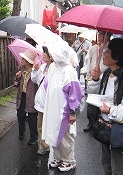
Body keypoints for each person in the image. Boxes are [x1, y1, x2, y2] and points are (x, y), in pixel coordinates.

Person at [88, 38, 123, 175]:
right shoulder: (108, 73)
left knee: (120, 168)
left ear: (116, 57)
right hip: (106, 126)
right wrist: (95, 79)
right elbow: (96, 94)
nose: (103, 53)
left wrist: (111, 110)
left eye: (107, 51)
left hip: (121, 129)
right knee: (106, 163)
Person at [43, 41, 83, 172]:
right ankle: (58, 157)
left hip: (64, 109)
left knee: (65, 135)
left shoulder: (69, 70)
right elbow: (47, 85)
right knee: (53, 131)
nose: (52, 55)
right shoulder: (53, 67)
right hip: (53, 108)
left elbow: (75, 93)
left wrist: (72, 112)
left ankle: (69, 159)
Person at [83, 31, 112, 132]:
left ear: (107, 36)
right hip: (93, 77)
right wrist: (89, 75)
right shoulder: (93, 48)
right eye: (98, 33)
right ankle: (91, 123)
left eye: (101, 34)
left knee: (101, 101)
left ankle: (99, 122)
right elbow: (88, 61)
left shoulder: (109, 49)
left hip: (103, 78)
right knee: (91, 101)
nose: (99, 35)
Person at [31, 46, 54, 155]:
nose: (43, 54)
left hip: (50, 103)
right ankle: (44, 145)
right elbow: (35, 80)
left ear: (51, 56)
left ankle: (49, 145)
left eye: (45, 52)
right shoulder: (43, 67)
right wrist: (35, 70)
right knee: (40, 125)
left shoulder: (55, 69)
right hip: (41, 102)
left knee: (49, 126)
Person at [14, 49, 39, 145]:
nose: (21, 59)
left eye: (23, 58)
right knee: (20, 115)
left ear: (28, 61)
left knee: (32, 117)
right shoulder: (21, 70)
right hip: (22, 96)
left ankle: (34, 137)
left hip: (32, 97)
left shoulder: (35, 72)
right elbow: (15, 85)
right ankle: (21, 132)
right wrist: (17, 77)